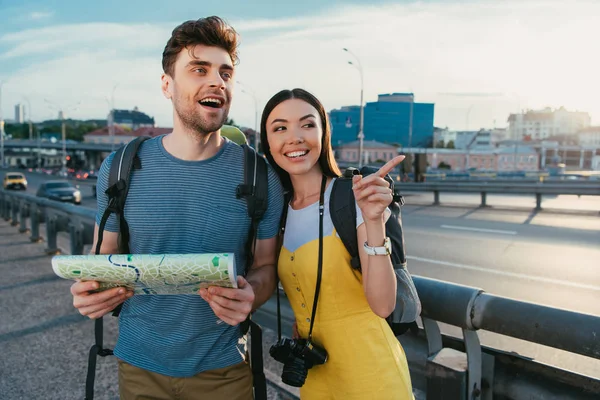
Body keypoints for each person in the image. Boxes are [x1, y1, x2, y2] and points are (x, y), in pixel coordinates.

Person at [69, 17, 284, 400]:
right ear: (167, 85)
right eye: (198, 69)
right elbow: (105, 257)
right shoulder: (119, 169)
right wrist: (92, 290)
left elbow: (266, 266)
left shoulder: (259, 176)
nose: (216, 81)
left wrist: (252, 292)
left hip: (225, 370)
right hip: (139, 367)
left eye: (225, 72)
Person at [261, 88, 414, 399]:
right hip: (316, 377)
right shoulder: (279, 212)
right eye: (280, 128)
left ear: (323, 133)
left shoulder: (352, 198)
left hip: (372, 374)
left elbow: (383, 304)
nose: (295, 137)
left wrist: (373, 220)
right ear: (268, 143)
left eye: (307, 124)